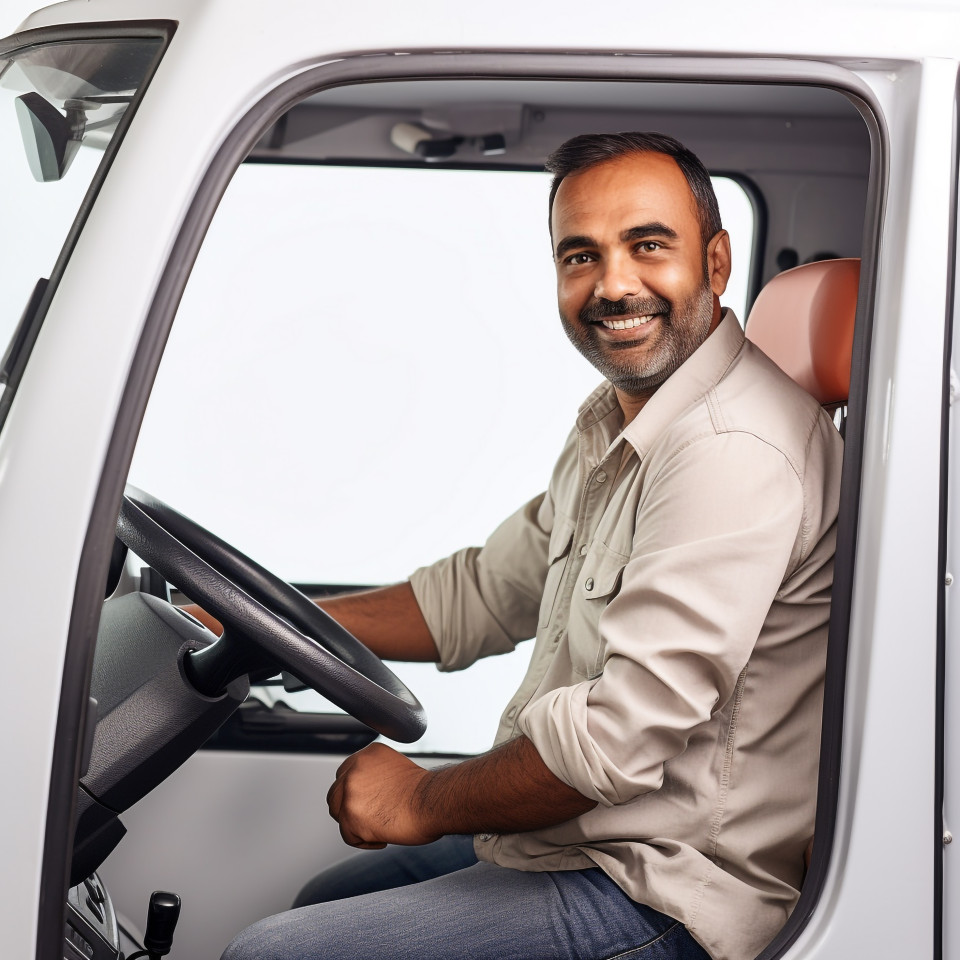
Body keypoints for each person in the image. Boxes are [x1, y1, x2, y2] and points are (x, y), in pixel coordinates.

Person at [220, 132, 844, 960]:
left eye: (648, 246)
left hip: (669, 889)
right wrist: (268, 620)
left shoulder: (731, 448)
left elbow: (615, 742)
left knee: (273, 955)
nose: (613, 284)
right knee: (324, 899)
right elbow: (480, 595)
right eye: (581, 255)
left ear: (718, 262)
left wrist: (421, 801)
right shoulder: (626, 421)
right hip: (589, 840)